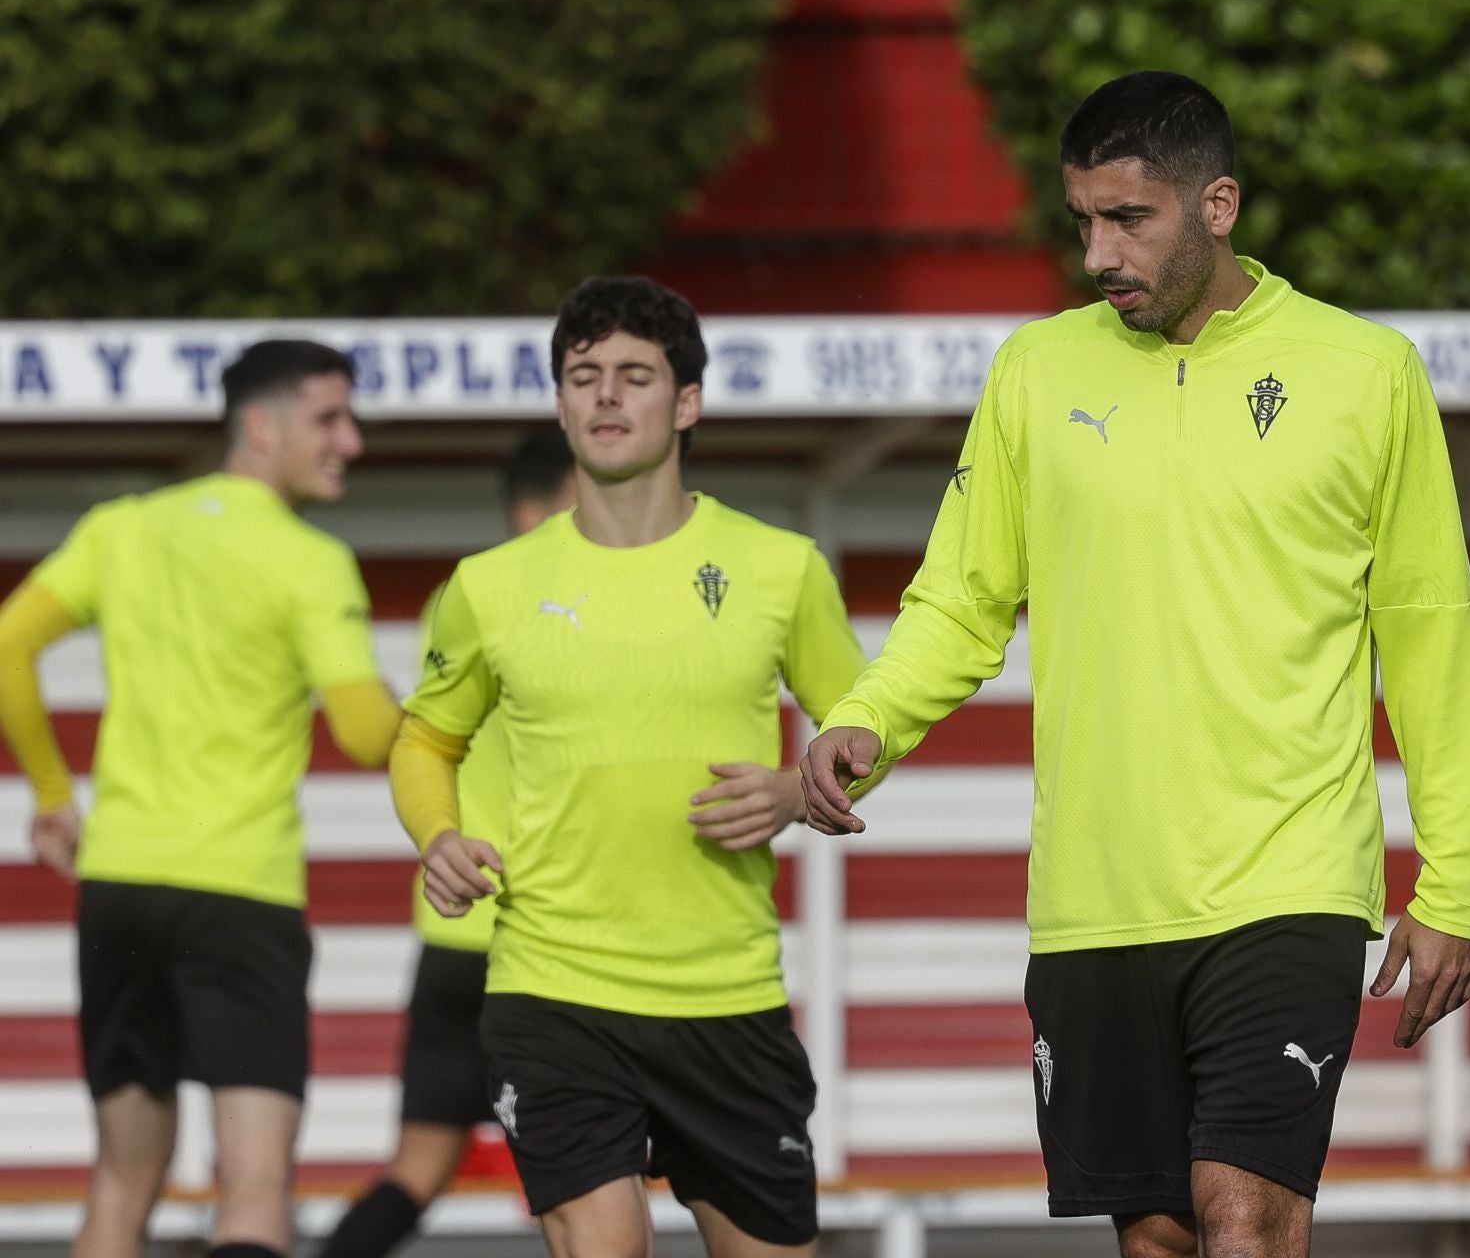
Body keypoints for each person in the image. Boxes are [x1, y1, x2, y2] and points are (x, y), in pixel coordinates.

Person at [800, 71, 1470, 1258]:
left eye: (1131, 219)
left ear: (1217, 204)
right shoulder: (1034, 373)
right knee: (1161, 1234)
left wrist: (1455, 883)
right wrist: (871, 718)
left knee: (1245, 1213)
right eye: (1083, 220)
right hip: (1096, 895)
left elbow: (1427, 632)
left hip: (1288, 877)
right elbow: (963, 597)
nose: (1098, 254)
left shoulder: (1365, 372)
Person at [388, 276, 866, 1258]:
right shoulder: (489, 585)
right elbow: (424, 739)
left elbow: (867, 723)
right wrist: (436, 834)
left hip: (725, 995)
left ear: (686, 401)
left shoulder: (781, 566)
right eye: (583, 375)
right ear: (560, 402)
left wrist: (793, 790)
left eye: (634, 375)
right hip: (552, 987)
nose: (606, 395)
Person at [0, 340, 399, 1258]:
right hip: (240, 895)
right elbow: (366, 735)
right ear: (260, 426)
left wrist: (53, 796)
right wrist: (451, 710)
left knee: (119, 1183)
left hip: (120, 890)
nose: (354, 439)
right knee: (254, 1189)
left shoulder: (122, 527)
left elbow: (12, 648)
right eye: (329, 419)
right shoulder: (310, 561)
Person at [318, 426, 578, 1258]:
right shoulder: (578, 607)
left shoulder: (456, 596)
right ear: (533, 509)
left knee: (418, 1169)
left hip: (451, 934)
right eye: (589, 497)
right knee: (581, 1180)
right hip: (547, 938)